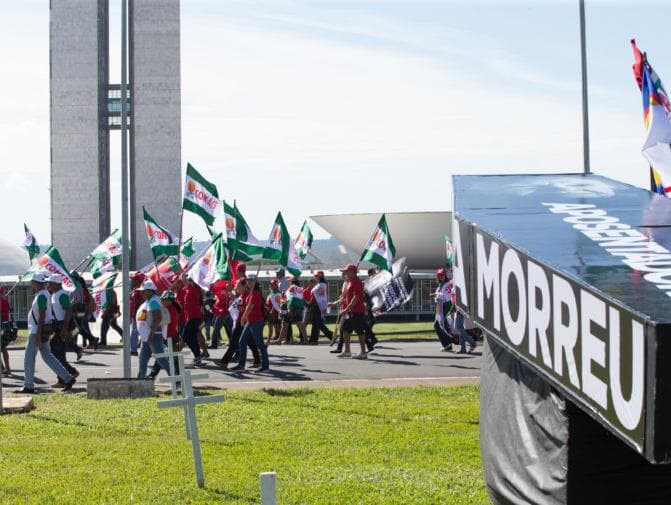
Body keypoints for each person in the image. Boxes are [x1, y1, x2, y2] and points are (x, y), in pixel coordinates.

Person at [19, 271, 75, 393]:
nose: (31, 283)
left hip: (37, 331)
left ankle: (28, 385)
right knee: (48, 356)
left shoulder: (42, 295)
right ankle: (68, 378)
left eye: (32, 281)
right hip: (41, 330)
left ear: (35, 282)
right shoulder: (44, 294)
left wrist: (38, 335)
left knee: (29, 358)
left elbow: (42, 315)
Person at [230, 275, 269, 372]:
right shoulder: (251, 293)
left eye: (251, 281)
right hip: (250, 321)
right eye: (248, 281)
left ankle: (265, 366)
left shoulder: (255, 293)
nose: (249, 282)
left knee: (259, 344)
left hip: (256, 321)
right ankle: (241, 365)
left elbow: (250, 307)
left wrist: (243, 317)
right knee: (242, 342)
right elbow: (247, 307)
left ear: (256, 282)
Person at [47, 274, 80, 387]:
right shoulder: (55, 294)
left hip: (61, 326)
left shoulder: (61, 294)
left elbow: (68, 310)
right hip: (57, 325)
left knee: (56, 354)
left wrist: (64, 328)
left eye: (50, 283)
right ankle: (62, 379)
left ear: (56, 283)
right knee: (59, 353)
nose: (48, 285)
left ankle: (71, 372)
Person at [136, 280, 171, 379]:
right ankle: (140, 380)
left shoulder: (153, 301)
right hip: (147, 337)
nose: (141, 293)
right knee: (143, 359)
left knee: (161, 360)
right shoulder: (149, 301)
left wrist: (151, 334)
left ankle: (176, 380)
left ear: (150, 291)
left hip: (153, 336)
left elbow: (158, 318)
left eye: (144, 291)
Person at [337, 263, 369, 360]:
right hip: (349, 312)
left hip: (356, 311)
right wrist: (343, 305)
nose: (345, 273)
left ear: (352, 272)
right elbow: (347, 297)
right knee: (345, 330)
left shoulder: (357, 282)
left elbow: (356, 298)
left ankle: (363, 353)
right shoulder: (349, 282)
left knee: (359, 331)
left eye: (346, 271)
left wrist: (347, 309)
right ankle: (347, 351)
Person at [148, 290, 181, 379]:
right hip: (167, 337)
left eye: (168, 300)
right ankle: (153, 375)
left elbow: (163, 321)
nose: (165, 301)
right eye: (164, 299)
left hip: (170, 337)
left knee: (171, 359)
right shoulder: (167, 308)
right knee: (162, 358)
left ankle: (177, 379)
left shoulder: (170, 310)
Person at [180, 275, 205, 365]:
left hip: (194, 317)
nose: (187, 281)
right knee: (192, 338)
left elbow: (183, 279)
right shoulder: (188, 289)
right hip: (191, 317)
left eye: (189, 280)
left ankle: (198, 356)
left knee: (185, 336)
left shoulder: (194, 289)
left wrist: (181, 270)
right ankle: (198, 356)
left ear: (193, 282)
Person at [279, 277, 308, 344]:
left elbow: (290, 298)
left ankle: (280, 340)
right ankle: (306, 340)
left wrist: (289, 308)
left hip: (292, 307)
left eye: (290, 281)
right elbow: (303, 298)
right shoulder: (301, 289)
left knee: (285, 323)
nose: (289, 283)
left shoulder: (291, 287)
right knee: (300, 324)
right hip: (300, 307)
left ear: (291, 282)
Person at [433, 268, 454, 352]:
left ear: (445, 275)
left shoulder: (446, 285)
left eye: (442, 275)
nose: (440, 277)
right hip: (440, 306)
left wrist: (437, 295)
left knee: (439, 325)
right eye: (439, 275)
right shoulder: (441, 285)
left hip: (445, 306)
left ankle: (448, 344)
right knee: (440, 325)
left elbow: (448, 297)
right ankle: (448, 344)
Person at [308, 271, 333, 344]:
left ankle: (313, 340)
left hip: (318, 305)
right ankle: (330, 335)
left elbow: (320, 294)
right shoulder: (319, 284)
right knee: (317, 323)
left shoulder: (322, 284)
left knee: (316, 323)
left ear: (320, 277)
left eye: (317, 276)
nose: (315, 277)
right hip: (315, 305)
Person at [209, 280, 232, 350]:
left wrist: (210, 283)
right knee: (229, 329)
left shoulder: (223, 291)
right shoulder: (227, 292)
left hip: (222, 313)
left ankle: (214, 344)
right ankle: (233, 342)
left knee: (216, 328)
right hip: (225, 313)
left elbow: (213, 289)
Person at [100, 282, 123, 346]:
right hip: (114, 311)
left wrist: (105, 312)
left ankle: (103, 341)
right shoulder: (112, 291)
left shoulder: (109, 292)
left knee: (104, 326)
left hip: (110, 311)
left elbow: (109, 303)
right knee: (114, 325)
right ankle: (125, 336)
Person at [129, 272, 146, 356]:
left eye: (134, 279)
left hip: (139, 314)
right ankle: (134, 348)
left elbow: (143, 301)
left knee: (135, 332)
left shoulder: (141, 290)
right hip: (134, 313)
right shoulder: (135, 289)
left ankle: (134, 349)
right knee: (135, 331)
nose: (132, 281)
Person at [0, 288, 12, 375]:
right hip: (5, 326)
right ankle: (4, 368)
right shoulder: (4, 301)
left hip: (2, 327)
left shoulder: (3, 302)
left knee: (3, 348)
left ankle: (6, 369)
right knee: (3, 348)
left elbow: (4, 314)